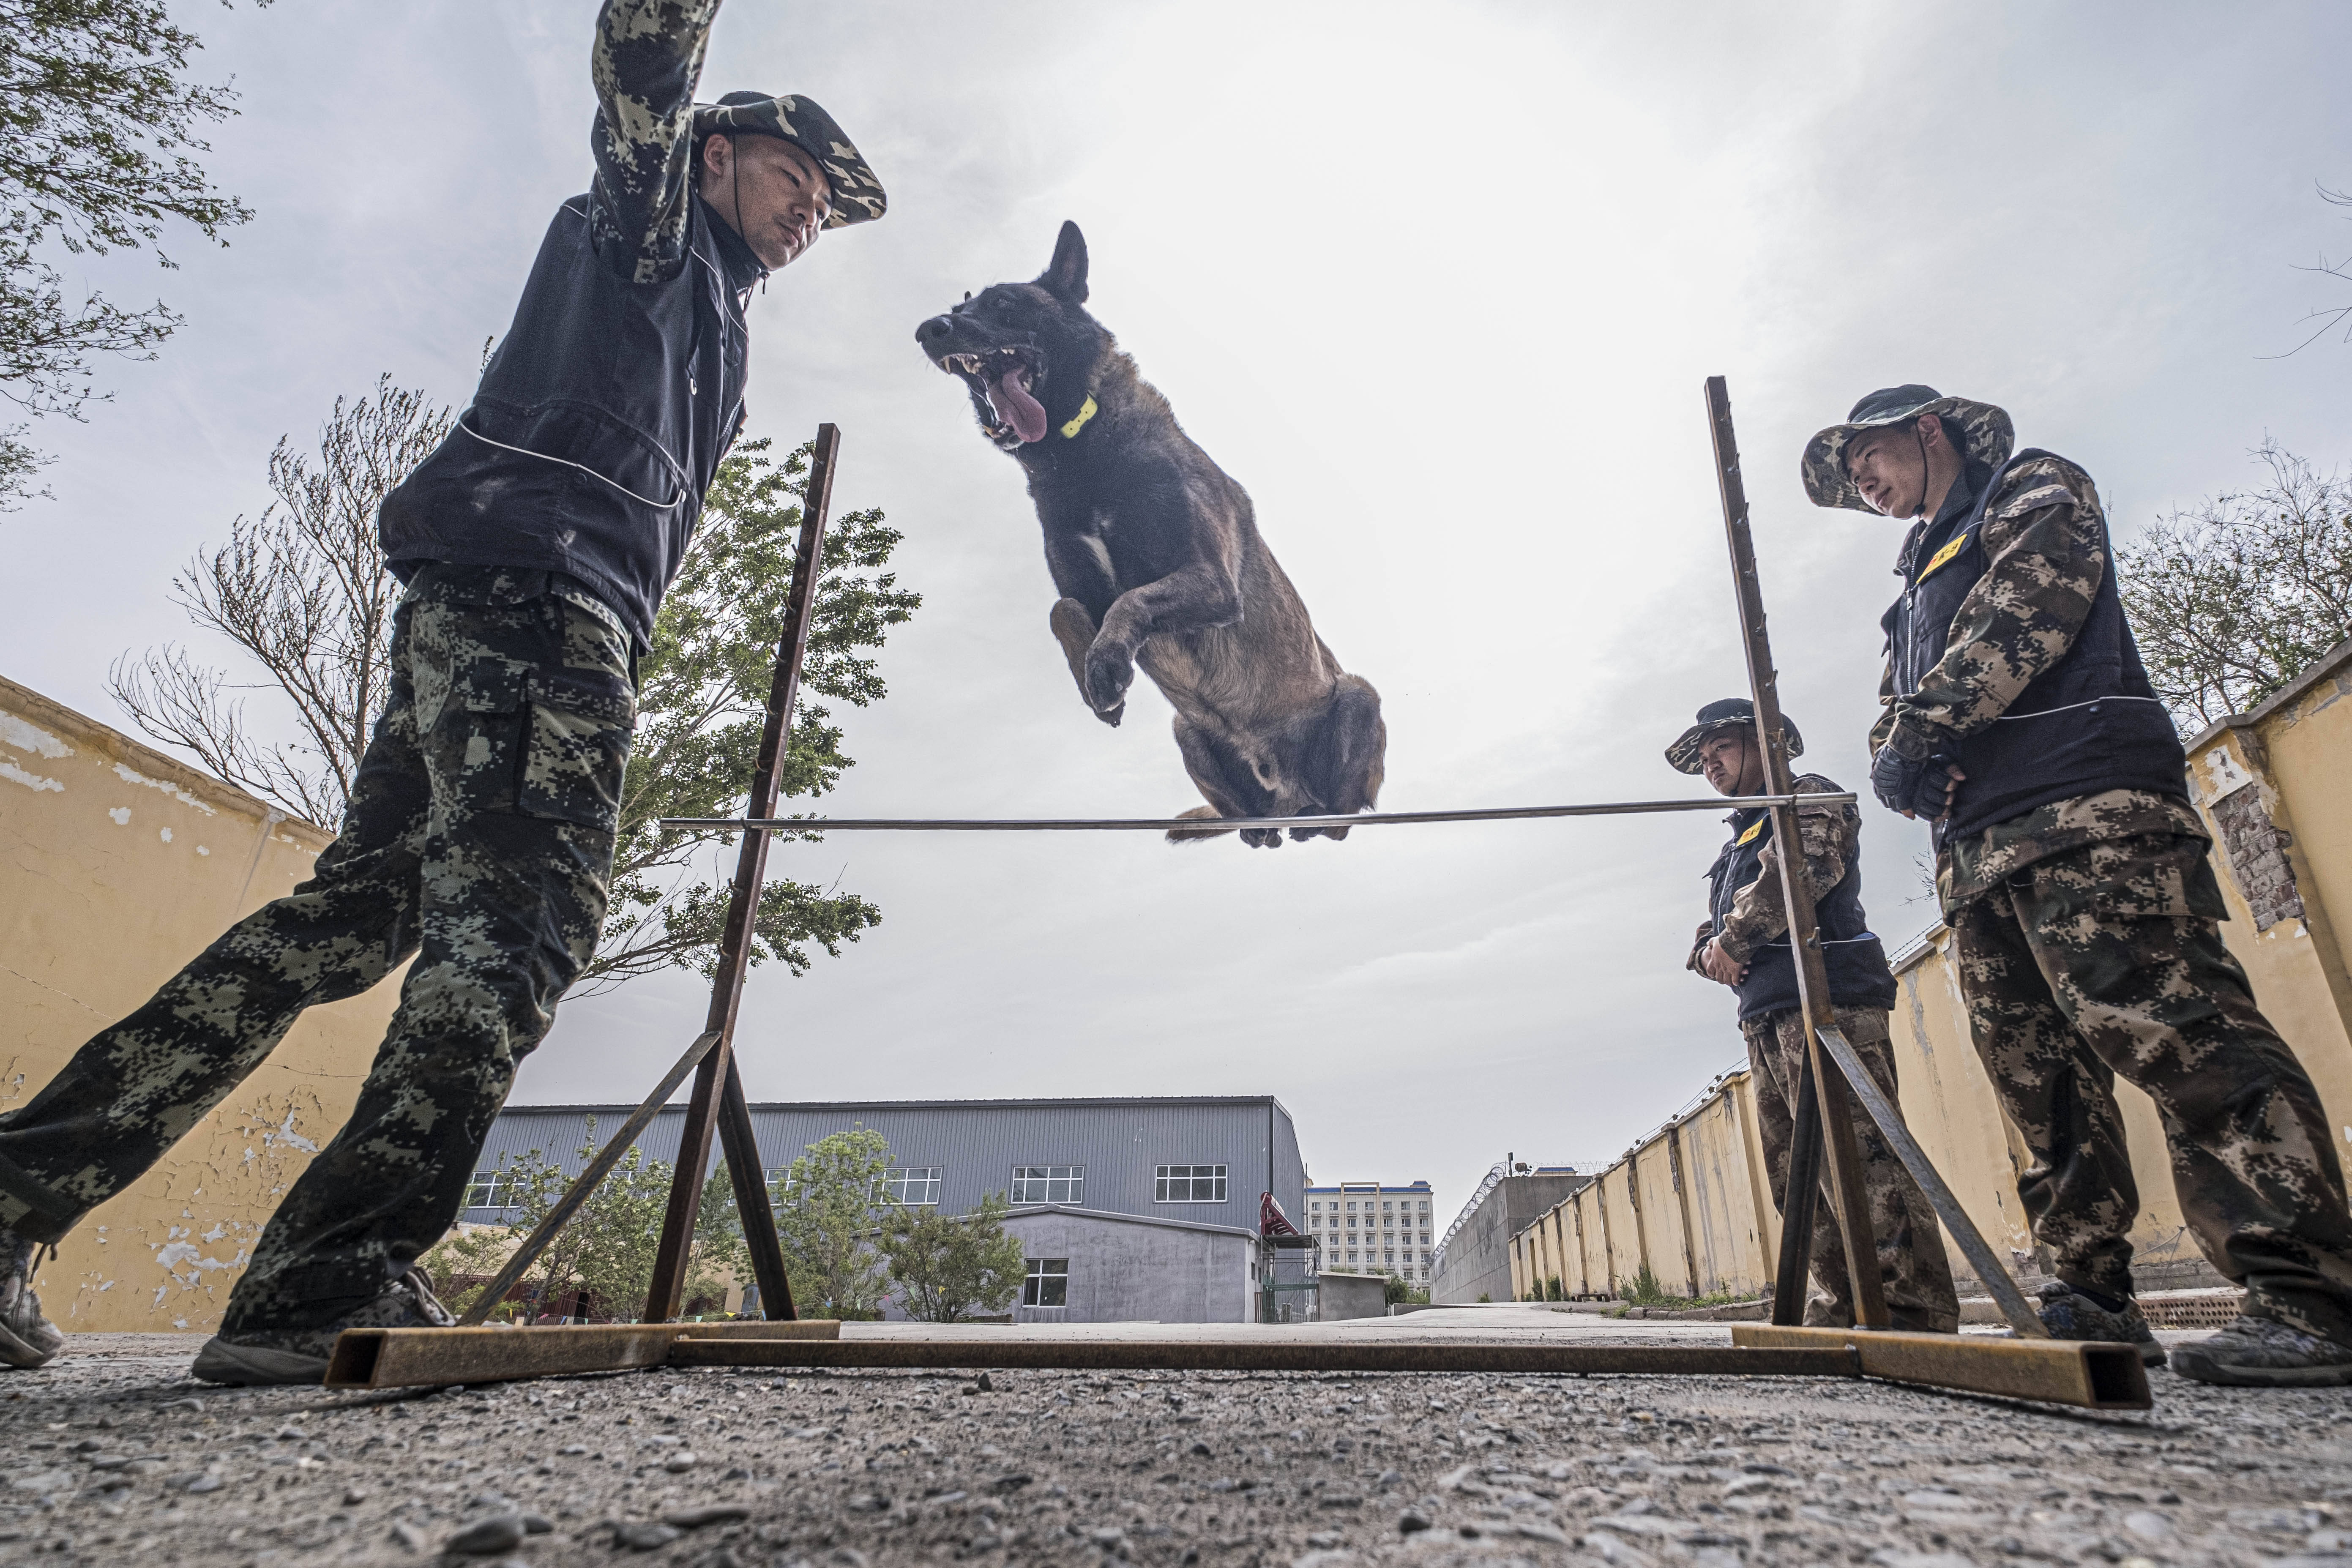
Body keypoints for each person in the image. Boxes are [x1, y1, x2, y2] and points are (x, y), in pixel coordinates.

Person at [0, 0, 886, 1383]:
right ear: (716, 156)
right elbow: (644, 76)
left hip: (484, 598)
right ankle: (325, 1280)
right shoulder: (650, 234)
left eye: (827, 208)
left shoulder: (712, 314)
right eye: (794, 179)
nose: (808, 213)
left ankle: (14, 1196)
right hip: (537, 604)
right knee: (523, 927)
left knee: (343, 924)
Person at [1803, 384, 2352, 1386]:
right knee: (2041, 1084)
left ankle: (2308, 1292)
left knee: (2179, 1036)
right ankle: (2088, 1295)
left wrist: (1924, 734)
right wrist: (1903, 754)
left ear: (1927, 430)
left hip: (2088, 814)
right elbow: (1894, 715)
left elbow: (2025, 612)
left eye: (1868, 456)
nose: (1863, 482)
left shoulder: (2031, 489)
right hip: (1978, 853)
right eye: (1848, 475)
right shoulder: (1910, 585)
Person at [1670, 699, 1961, 1334]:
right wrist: (1709, 950)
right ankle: (1844, 1304)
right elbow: (1713, 929)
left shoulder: (1808, 799)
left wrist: (1733, 941)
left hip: (1828, 1004)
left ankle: (1909, 1306)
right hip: (1767, 1013)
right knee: (1795, 1177)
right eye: (1702, 755)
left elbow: (1802, 874)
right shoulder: (1738, 839)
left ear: (1764, 742)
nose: (1709, 762)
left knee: (1859, 1157)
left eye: (1720, 745)